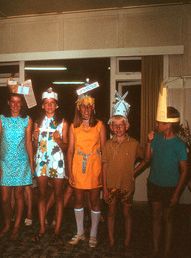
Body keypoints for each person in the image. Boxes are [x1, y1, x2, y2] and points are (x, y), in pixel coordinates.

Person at [101, 91, 147, 255]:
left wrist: (134, 171)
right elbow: (104, 167)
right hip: (111, 185)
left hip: (127, 186)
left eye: (122, 125)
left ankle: (127, 242)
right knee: (111, 214)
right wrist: (104, 188)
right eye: (115, 125)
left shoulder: (134, 143)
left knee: (127, 214)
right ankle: (112, 241)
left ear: (127, 126)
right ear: (111, 127)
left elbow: (146, 159)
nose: (118, 128)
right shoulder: (107, 144)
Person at [67, 82, 107, 248]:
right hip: (78, 165)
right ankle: (80, 232)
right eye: (83, 106)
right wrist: (70, 172)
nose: (86, 109)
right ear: (78, 108)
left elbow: (104, 151)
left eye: (89, 106)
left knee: (94, 201)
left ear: (93, 108)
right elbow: (70, 151)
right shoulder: (73, 127)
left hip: (94, 166)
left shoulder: (99, 125)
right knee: (78, 200)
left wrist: (102, 173)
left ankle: (93, 234)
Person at [145, 106, 188, 257]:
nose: (156, 124)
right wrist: (149, 142)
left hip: (170, 187)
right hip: (154, 184)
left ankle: (167, 250)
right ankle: (156, 249)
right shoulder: (156, 138)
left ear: (168, 124)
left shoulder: (179, 144)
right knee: (156, 217)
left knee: (168, 218)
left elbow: (184, 171)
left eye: (159, 122)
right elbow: (147, 159)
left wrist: (177, 193)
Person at [0, 80, 34, 239]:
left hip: (21, 163)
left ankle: (16, 226)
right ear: (8, 103)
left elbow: (29, 143)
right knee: (4, 198)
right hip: (4, 163)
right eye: (13, 102)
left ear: (22, 104)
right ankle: (7, 224)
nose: (16, 105)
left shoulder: (27, 120)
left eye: (19, 102)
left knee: (19, 195)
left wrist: (32, 164)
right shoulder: (1, 119)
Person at [32, 88, 68, 244]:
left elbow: (67, 147)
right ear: (42, 106)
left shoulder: (63, 122)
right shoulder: (37, 123)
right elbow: (35, 148)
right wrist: (34, 138)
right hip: (41, 161)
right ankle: (41, 228)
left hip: (57, 161)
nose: (49, 106)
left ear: (57, 105)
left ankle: (57, 230)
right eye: (46, 103)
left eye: (52, 103)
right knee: (41, 195)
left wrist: (59, 140)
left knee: (58, 196)